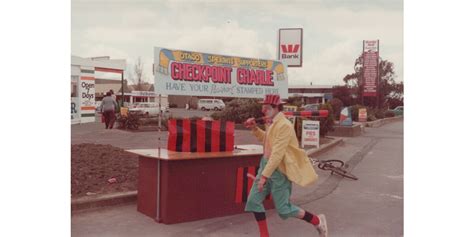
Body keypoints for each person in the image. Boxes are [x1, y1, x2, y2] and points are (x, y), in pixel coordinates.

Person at [243, 94, 328, 237]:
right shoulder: (270, 122)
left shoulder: (285, 125)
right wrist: (255, 129)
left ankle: (317, 221)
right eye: (263, 107)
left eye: (267, 107)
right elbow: (268, 141)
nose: (263, 110)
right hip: (266, 165)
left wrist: (264, 177)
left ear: (276, 107)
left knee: (284, 209)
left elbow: (277, 154)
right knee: (253, 201)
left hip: (279, 171)